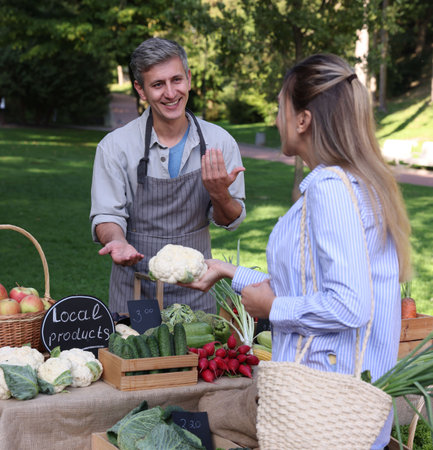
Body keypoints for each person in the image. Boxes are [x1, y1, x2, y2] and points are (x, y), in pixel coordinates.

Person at [184, 54, 412, 449]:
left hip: (323, 409)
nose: (276, 120)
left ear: (303, 119)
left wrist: (273, 309)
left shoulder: (330, 190)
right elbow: (305, 285)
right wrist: (226, 270)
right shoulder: (357, 183)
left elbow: (350, 304)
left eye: (279, 109)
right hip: (342, 407)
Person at [90, 37, 246, 315]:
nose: (171, 93)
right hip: (136, 288)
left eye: (177, 80)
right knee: (139, 357)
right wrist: (117, 240)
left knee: (199, 359)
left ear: (188, 78)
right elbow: (107, 215)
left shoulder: (219, 143)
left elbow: (229, 221)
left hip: (199, 288)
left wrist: (220, 193)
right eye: (158, 84)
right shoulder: (115, 147)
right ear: (140, 89)